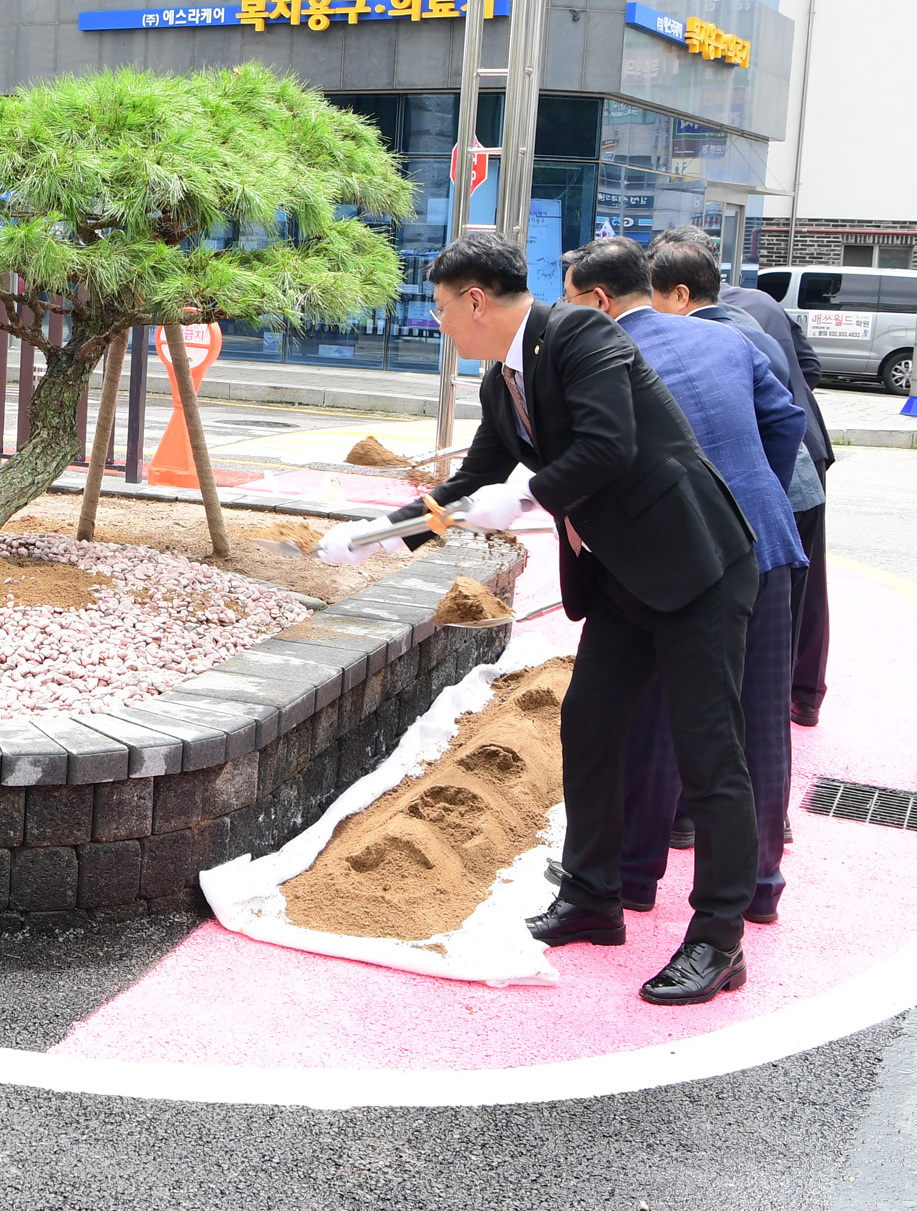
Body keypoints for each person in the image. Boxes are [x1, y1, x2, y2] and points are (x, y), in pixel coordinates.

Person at [314, 233, 761, 1006]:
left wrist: (525, 496)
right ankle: (591, 896)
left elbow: (609, 446)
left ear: (475, 301)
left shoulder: (581, 333)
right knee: (588, 725)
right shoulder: (503, 382)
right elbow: (473, 479)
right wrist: (379, 533)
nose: (439, 323)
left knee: (709, 754)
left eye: (441, 308)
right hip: (621, 579)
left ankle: (720, 938)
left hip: (695, 568)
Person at [570, 237, 807, 926]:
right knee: (757, 723)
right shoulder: (731, 338)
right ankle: (760, 885)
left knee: (654, 721)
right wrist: (749, 495)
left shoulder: (600, 358)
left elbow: (595, 464)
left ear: (599, 301)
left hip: (669, 561)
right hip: (761, 542)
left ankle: (633, 876)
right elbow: (785, 420)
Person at [651, 225, 835, 727]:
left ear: (677, 286)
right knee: (803, 593)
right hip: (803, 456)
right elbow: (809, 367)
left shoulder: (712, 330)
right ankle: (802, 696)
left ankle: (759, 711)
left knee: (757, 611)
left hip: (777, 472)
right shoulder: (759, 305)